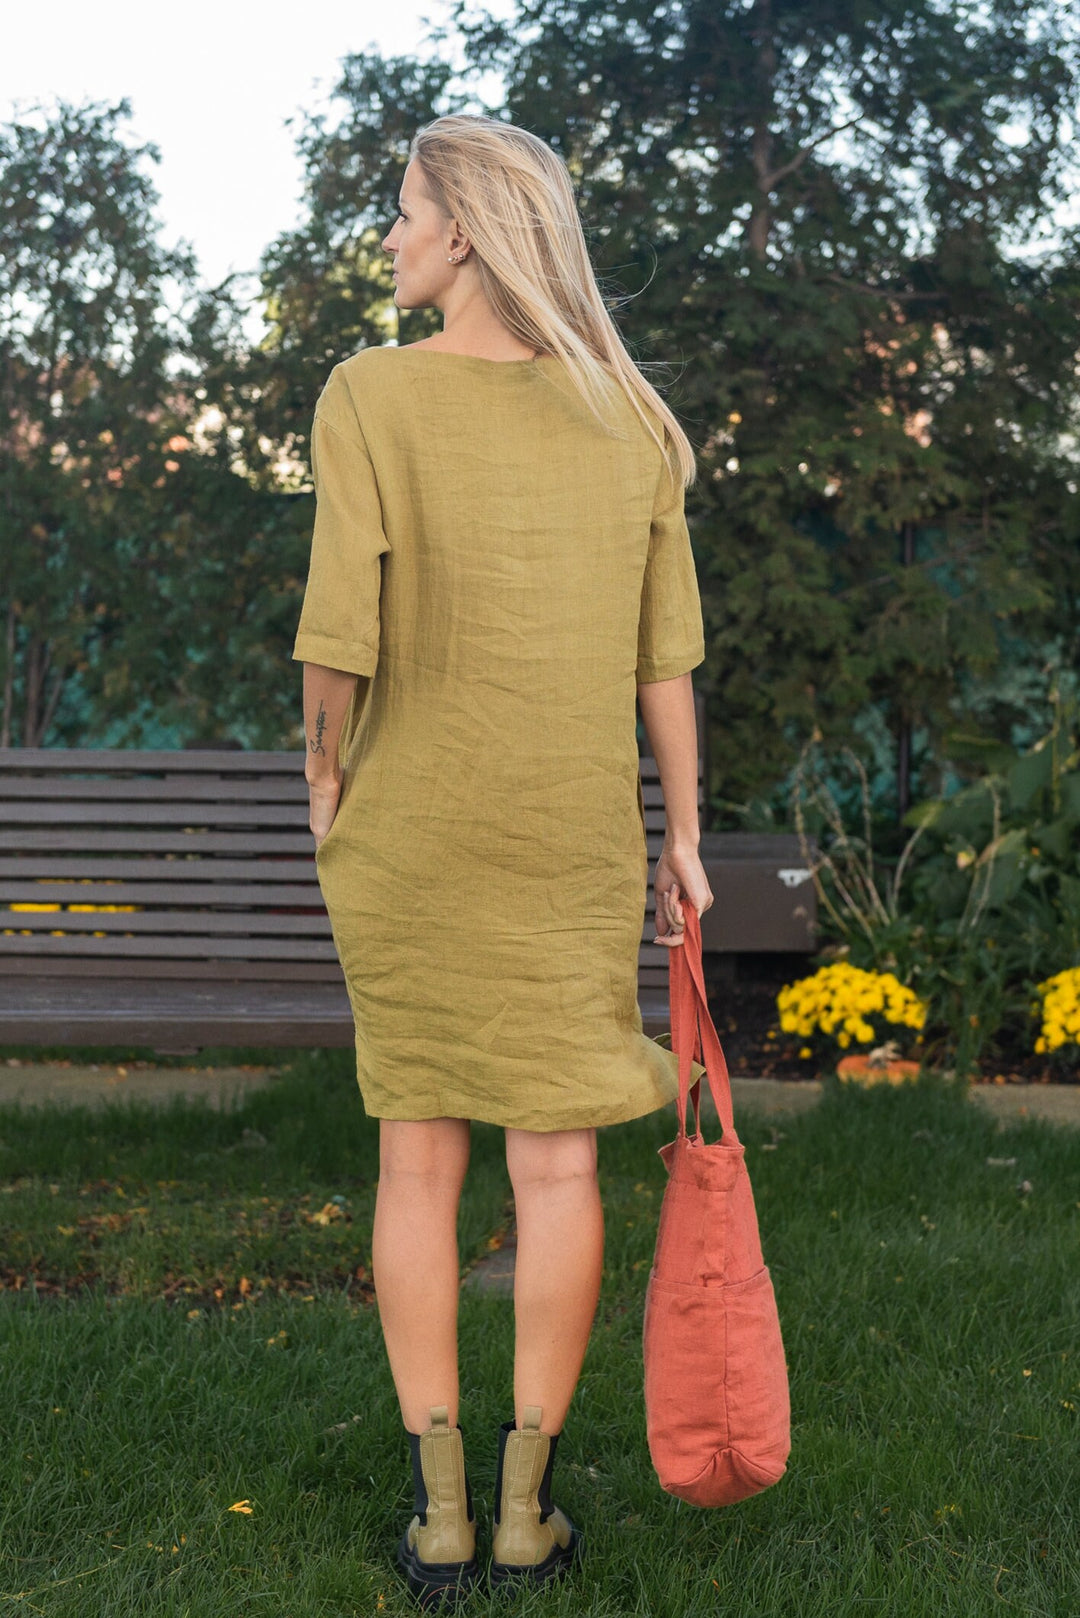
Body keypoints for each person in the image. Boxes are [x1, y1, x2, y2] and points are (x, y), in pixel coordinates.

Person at [292, 112, 714, 1609]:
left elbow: (341, 626)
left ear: (463, 230)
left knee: (419, 1152)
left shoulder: (370, 396)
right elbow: (667, 655)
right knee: (558, 1161)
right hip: (571, 838)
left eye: (404, 212)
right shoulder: (631, 417)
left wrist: (325, 771)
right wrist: (686, 832)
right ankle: (530, 1511)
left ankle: (445, 1510)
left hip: (416, 829)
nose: (391, 236)